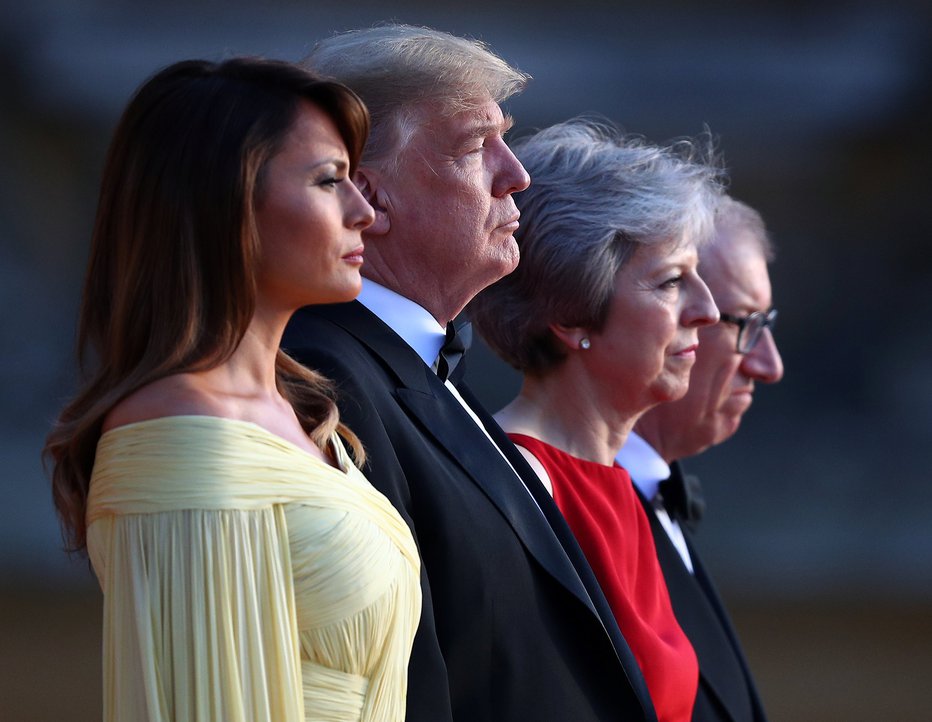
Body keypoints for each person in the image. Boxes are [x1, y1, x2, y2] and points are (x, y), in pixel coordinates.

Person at [283, 26, 657, 722]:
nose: (516, 174)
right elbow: (392, 671)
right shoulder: (327, 380)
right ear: (368, 192)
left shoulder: (423, 369)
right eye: (473, 146)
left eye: (506, 138)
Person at [43, 57, 421, 722]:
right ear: (224, 203)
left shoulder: (303, 417)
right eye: (330, 180)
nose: (365, 211)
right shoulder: (182, 430)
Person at [469, 118, 723, 722]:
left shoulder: (626, 487)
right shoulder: (518, 483)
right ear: (572, 313)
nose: (708, 311)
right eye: (670, 283)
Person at [617, 195, 784, 722]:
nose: (768, 364)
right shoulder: (557, 498)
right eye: (745, 324)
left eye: (767, 323)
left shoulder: (652, 492)